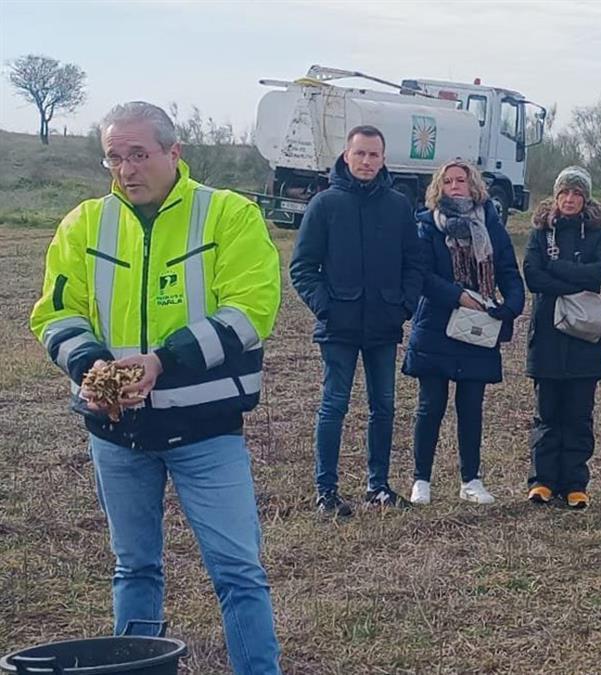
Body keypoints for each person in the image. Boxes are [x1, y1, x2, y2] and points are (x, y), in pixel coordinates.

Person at [29, 102, 282, 673]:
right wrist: (91, 366)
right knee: (134, 568)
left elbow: (251, 310)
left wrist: (163, 361)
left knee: (238, 573)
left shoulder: (228, 216)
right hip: (116, 434)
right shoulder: (84, 223)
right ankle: (132, 667)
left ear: (174, 153)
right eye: (114, 157)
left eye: (139, 154)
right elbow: (56, 313)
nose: (126, 169)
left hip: (206, 431)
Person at [290, 125, 424, 516]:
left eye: (374, 155)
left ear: (384, 159)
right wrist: (325, 306)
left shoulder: (399, 205)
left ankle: (378, 487)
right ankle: (326, 492)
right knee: (334, 406)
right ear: (346, 156)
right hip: (339, 327)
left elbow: (413, 263)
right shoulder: (325, 205)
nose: (367, 162)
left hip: (384, 325)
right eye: (360, 154)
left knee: (383, 407)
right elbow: (302, 268)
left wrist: (404, 305)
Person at [402, 159, 525, 505]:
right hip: (437, 327)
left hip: (478, 330)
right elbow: (423, 275)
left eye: (462, 180)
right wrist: (458, 296)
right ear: (438, 188)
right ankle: (421, 480)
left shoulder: (491, 226)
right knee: (430, 406)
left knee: (471, 407)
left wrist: (511, 305)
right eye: (449, 181)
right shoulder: (427, 226)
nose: (455, 186)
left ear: (474, 187)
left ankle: (471, 480)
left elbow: (508, 271)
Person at [522, 167, 601, 508]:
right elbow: (533, 276)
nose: (570, 199)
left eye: (576, 193)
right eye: (564, 193)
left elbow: (598, 274)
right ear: (556, 197)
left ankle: (575, 484)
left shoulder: (598, 235)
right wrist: (574, 280)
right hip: (546, 337)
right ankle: (542, 482)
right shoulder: (539, 233)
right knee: (547, 414)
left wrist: (555, 269)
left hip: (584, 339)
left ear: (585, 198)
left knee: (578, 415)